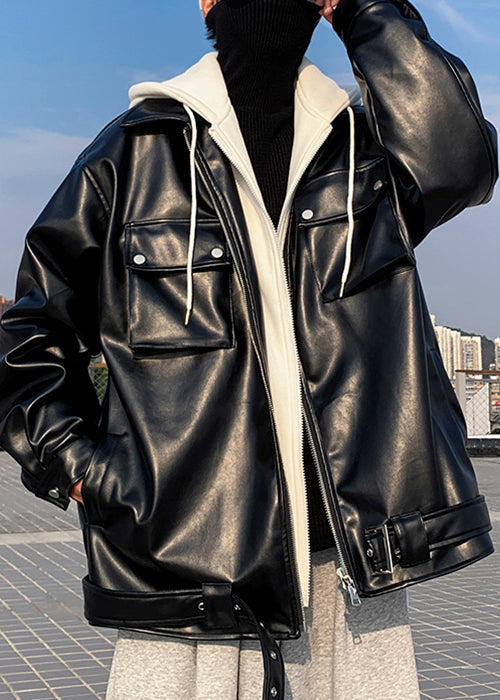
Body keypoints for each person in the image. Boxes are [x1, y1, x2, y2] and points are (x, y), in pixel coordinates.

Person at [0, 0, 497, 697]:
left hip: (350, 581)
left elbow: (462, 158)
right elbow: (29, 333)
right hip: (187, 581)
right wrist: (84, 473)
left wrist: (363, 9)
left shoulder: (361, 151)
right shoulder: (133, 155)